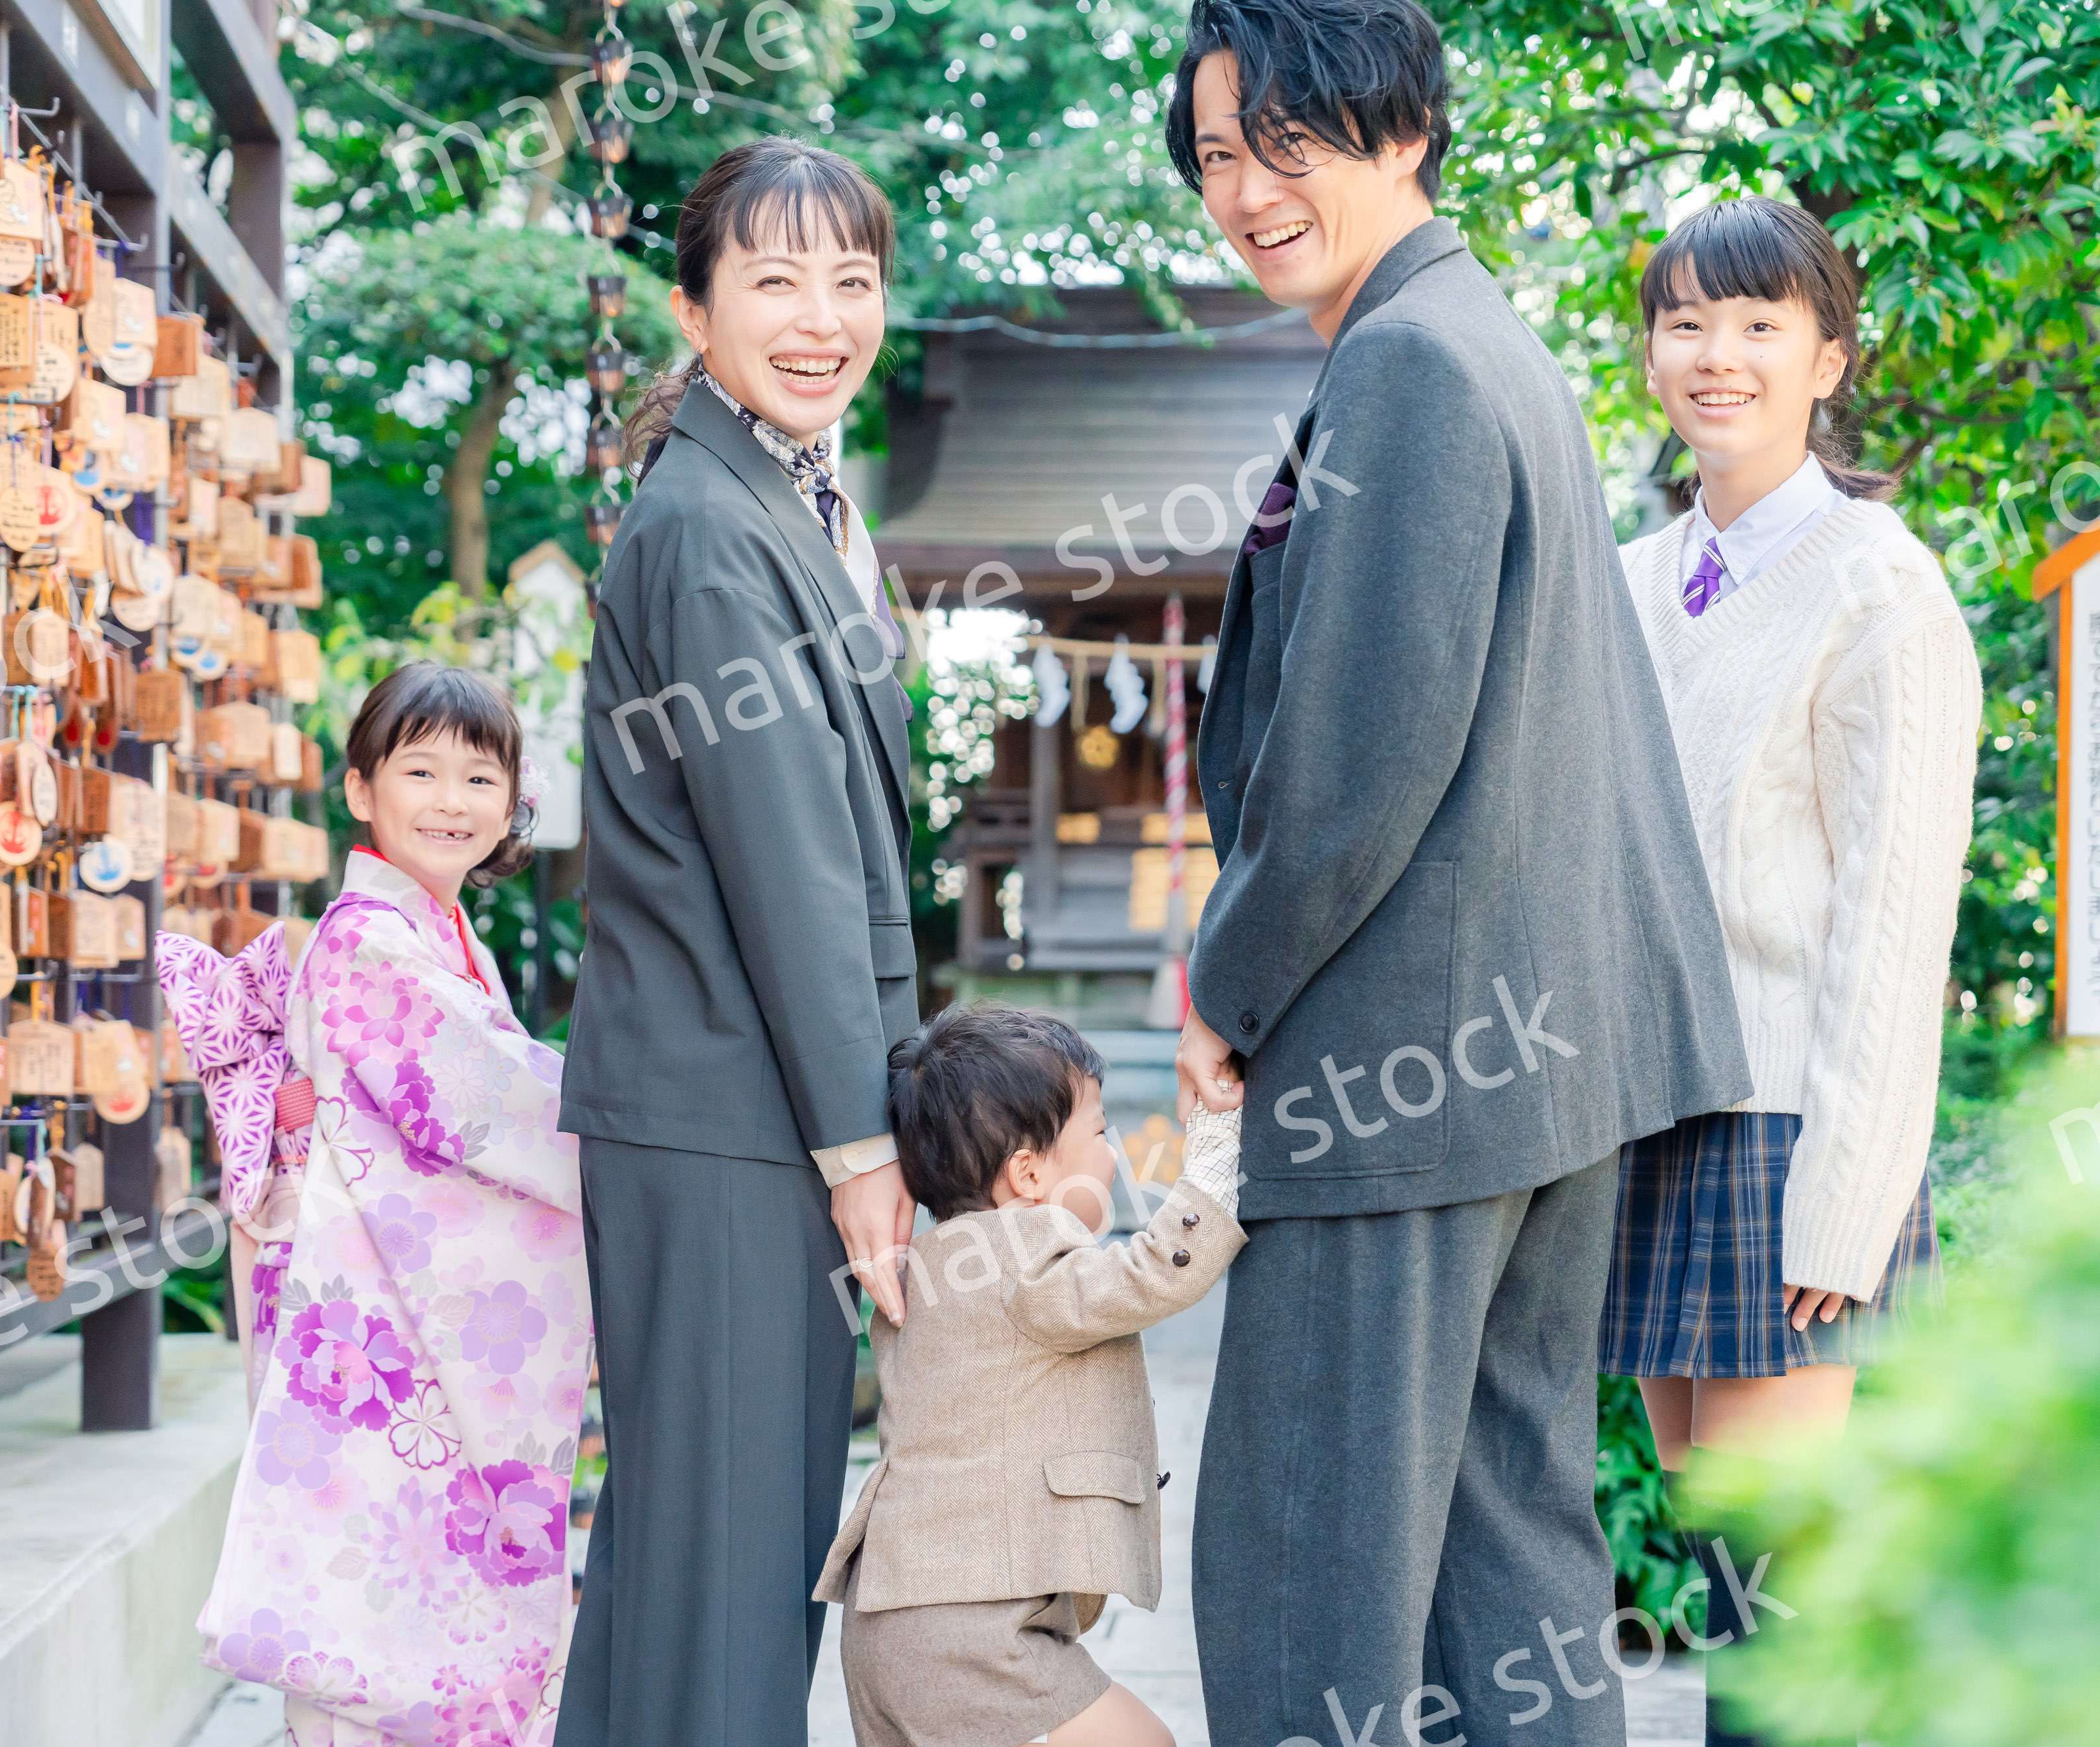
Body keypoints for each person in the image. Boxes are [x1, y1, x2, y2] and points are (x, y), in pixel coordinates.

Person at [1161, 1, 1753, 1741]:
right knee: (1510, 1573)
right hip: (1533, 1077)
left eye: (1287, 141)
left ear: (1400, 128)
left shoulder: (1410, 364)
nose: (1247, 191)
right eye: (1214, 157)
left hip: (1405, 1079)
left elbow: (1357, 770)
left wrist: (1226, 983)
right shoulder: (1475, 336)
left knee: (1310, 1580)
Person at [554, 136, 918, 1747]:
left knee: (692, 1567)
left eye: (851, 277)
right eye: (774, 278)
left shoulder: (781, 496)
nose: (821, 314)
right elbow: (788, 863)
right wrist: (863, 1146)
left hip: (729, 1112)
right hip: (731, 1119)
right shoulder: (711, 525)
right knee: (725, 1571)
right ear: (694, 308)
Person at [1610, 196, 1980, 1746]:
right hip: (1651, 1118)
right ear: (1648, 352)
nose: (1719, 354)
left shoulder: (1874, 582)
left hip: (1787, 1133)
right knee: (1727, 1561)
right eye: (1688, 319)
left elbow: (1892, 921)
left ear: (1825, 358)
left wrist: (1848, 1189)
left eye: (1762, 324)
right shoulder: (1630, 577)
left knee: (1784, 1598)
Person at [155, 662, 586, 1746]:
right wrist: (628, 1130)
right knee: (378, 1615)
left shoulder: (433, 930)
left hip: (385, 1299)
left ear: (511, 799)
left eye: (480, 777)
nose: (452, 800)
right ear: (360, 790)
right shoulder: (366, 941)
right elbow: (484, 1102)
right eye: (422, 770)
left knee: (402, 1605)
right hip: (370, 1315)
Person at [815, 1007, 1245, 1747]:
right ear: (1028, 1172)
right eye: (1100, 1134)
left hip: (904, 1619)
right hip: (968, 1631)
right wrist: (1211, 1156)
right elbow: (1147, 1277)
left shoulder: (940, 1264)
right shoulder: (1017, 1251)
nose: (1111, 1156)